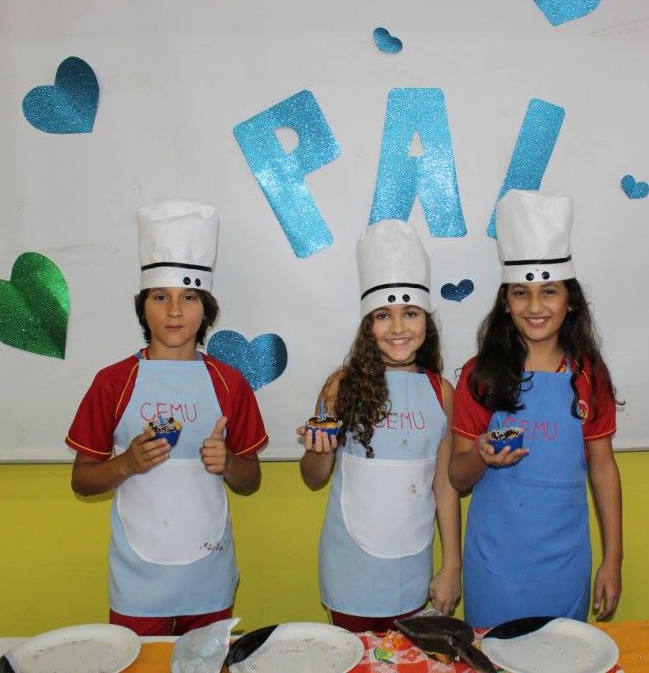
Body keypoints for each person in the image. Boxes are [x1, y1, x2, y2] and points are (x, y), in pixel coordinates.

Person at [66, 198, 267, 635]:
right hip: (137, 578)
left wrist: (229, 462)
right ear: (143, 306)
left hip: (209, 572)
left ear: (206, 307)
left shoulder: (230, 383)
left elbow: (250, 480)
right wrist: (126, 463)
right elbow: (82, 480)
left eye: (188, 297)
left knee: (206, 662)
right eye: (161, 297)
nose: (175, 311)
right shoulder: (112, 382)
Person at [449, 189, 623, 628]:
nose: (535, 306)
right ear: (506, 304)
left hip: (566, 565)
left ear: (570, 300)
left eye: (549, 291)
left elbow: (603, 468)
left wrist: (613, 559)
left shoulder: (589, 375)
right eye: (520, 293)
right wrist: (481, 456)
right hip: (495, 566)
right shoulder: (480, 376)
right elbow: (457, 476)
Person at [299, 219, 461, 633]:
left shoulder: (441, 391)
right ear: (367, 324)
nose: (398, 328)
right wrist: (317, 450)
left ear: (426, 321)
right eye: (383, 315)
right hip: (349, 567)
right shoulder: (340, 386)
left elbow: (445, 484)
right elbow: (314, 477)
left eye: (410, 314)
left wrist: (451, 566)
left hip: (412, 567)